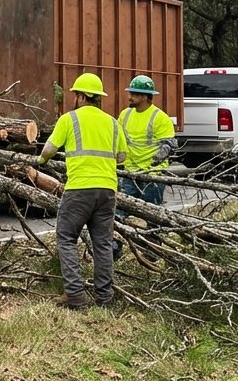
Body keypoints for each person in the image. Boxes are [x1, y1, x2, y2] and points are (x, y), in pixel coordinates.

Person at [39, 72, 125, 309]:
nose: (74, 98)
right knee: (103, 244)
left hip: (79, 189)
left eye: (76, 94)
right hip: (107, 190)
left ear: (82, 96)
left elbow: (48, 150)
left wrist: (40, 162)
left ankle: (75, 294)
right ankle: (104, 298)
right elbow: (121, 158)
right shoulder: (113, 123)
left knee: (66, 238)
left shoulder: (70, 119)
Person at [117, 74, 176, 208]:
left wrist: (154, 163)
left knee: (152, 215)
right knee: (122, 213)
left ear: (145, 97)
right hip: (130, 173)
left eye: (134, 94)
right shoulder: (124, 114)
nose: (129, 97)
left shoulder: (160, 118)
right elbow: (117, 141)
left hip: (153, 175)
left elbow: (168, 145)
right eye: (130, 93)